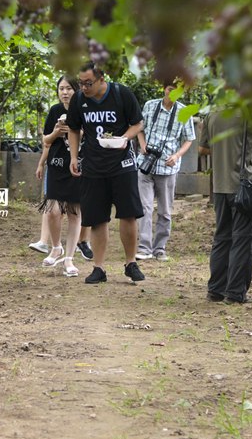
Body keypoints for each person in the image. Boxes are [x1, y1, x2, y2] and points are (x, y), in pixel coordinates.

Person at [67, 62, 146, 284]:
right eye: (80, 83)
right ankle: (98, 268)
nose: (83, 87)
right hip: (93, 165)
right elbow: (73, 128)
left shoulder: (121, 94)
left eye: (88, 83)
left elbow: (138, 124)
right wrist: (74, 157)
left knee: (128, 214)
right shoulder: (79, 100)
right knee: (97, 218)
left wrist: (124, 138)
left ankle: (131, 263)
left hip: (122, 163)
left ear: (102, 79)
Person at [199, 109, 252, 304]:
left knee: (222, 237)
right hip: (243, 186)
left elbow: (203, 149)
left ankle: (215, 290)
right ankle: (235, 293)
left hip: (220, 187)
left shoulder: (212, 114)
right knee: (244, 240)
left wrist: (225, 149)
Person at [134, 82, 196, 261]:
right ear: (164, 89)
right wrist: (143, 144)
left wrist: (177, 156)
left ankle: (160, 248)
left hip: (168, 167)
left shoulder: (184, 112)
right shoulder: (150, 105)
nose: (173, 93)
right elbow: (139, 127)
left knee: (165, 211)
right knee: (144, 207)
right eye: (170, 89)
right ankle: (144, 247)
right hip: (145, 164)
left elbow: (189, 139)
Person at [33, 76, 83, 276]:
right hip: (56, 164)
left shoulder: (84, 109)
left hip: (78, 165)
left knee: (74, 212)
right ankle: (56, 247)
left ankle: (69, 259)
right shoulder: (55, 110)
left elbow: (92, 135)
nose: (64, 92)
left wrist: (74, 131)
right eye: (61, 88)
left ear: (76, 90)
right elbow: (45, 140)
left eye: (69, 88)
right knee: (53, 210)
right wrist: (56, 132)